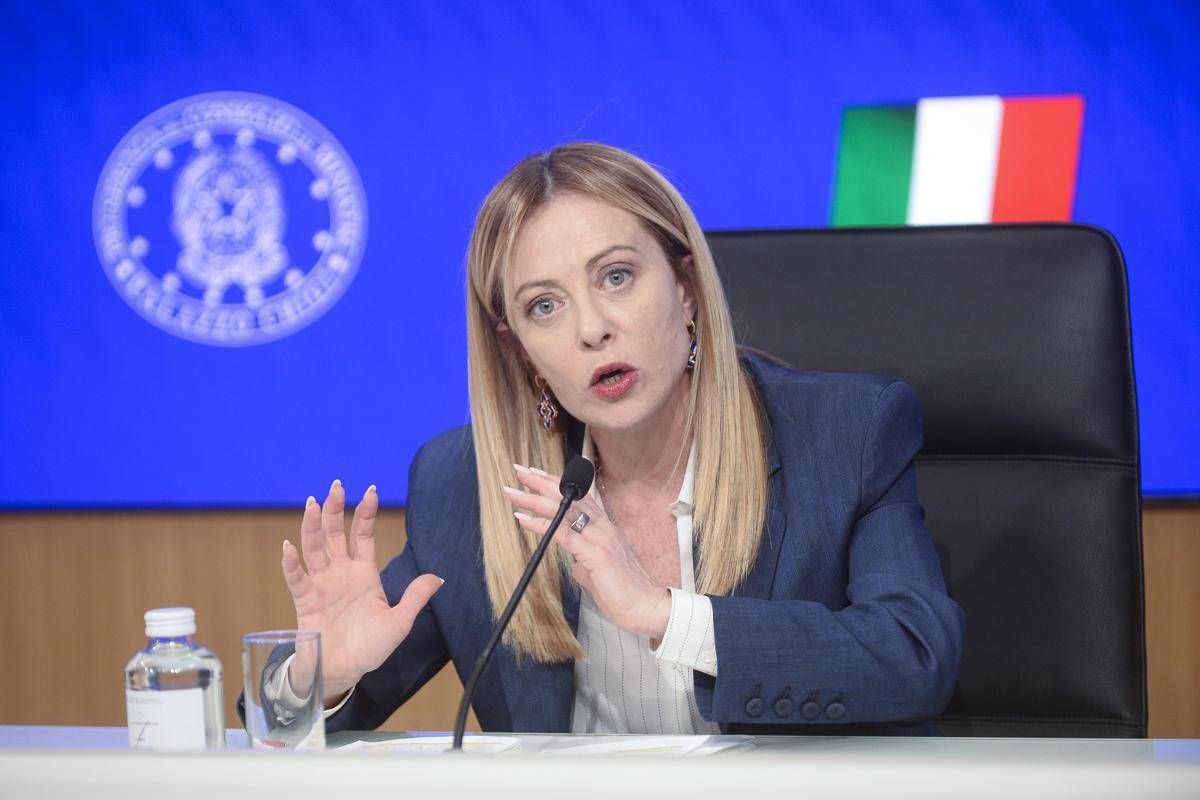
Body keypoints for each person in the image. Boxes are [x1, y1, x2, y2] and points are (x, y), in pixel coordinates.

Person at [268, 142, 966, 735]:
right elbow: (277, 723)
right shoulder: (466, 484)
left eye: (617, 277)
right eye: (545, 306)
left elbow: (916, 655)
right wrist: (319, 678)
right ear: (521, 352)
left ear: (686, 288)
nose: (592, 328)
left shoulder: (843, 434)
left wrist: (665, 614)